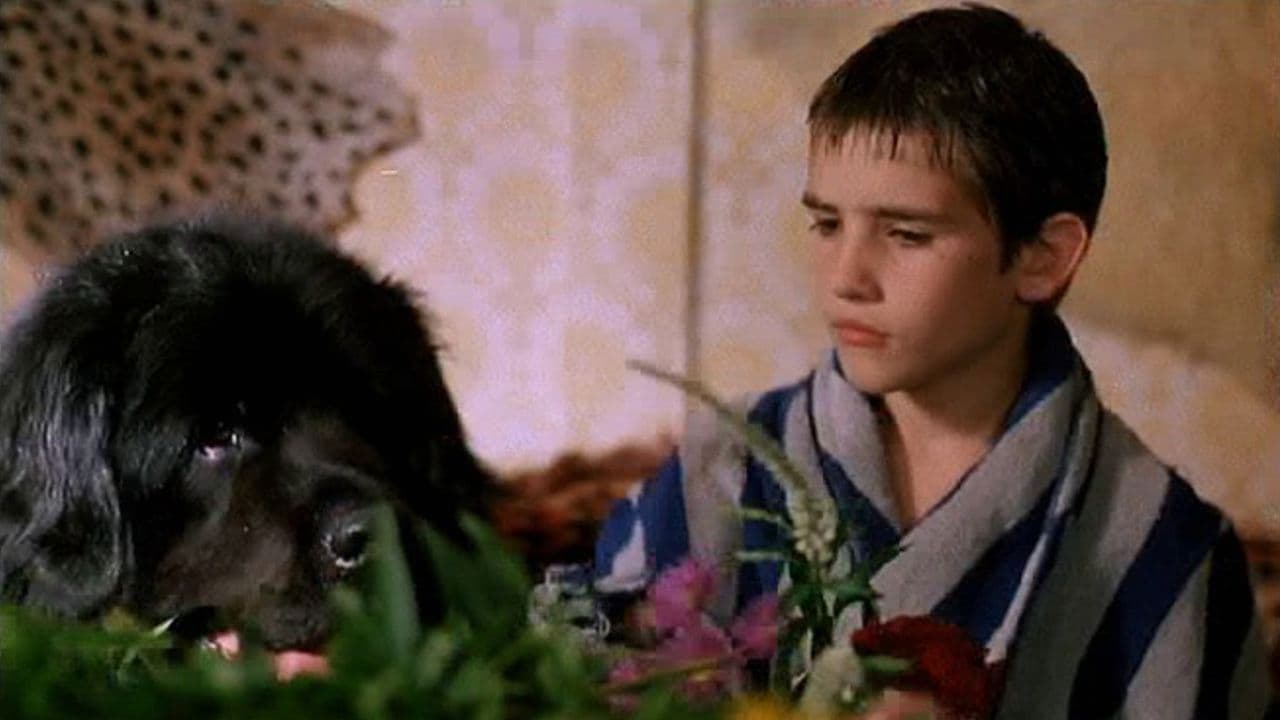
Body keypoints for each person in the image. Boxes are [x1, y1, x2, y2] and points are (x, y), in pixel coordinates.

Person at [591, 4, 1273, 717]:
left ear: (1043, 258)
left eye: (908, 234)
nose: (846, 277)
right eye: (827, 223)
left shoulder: (1166, 546)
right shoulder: (721, 470)